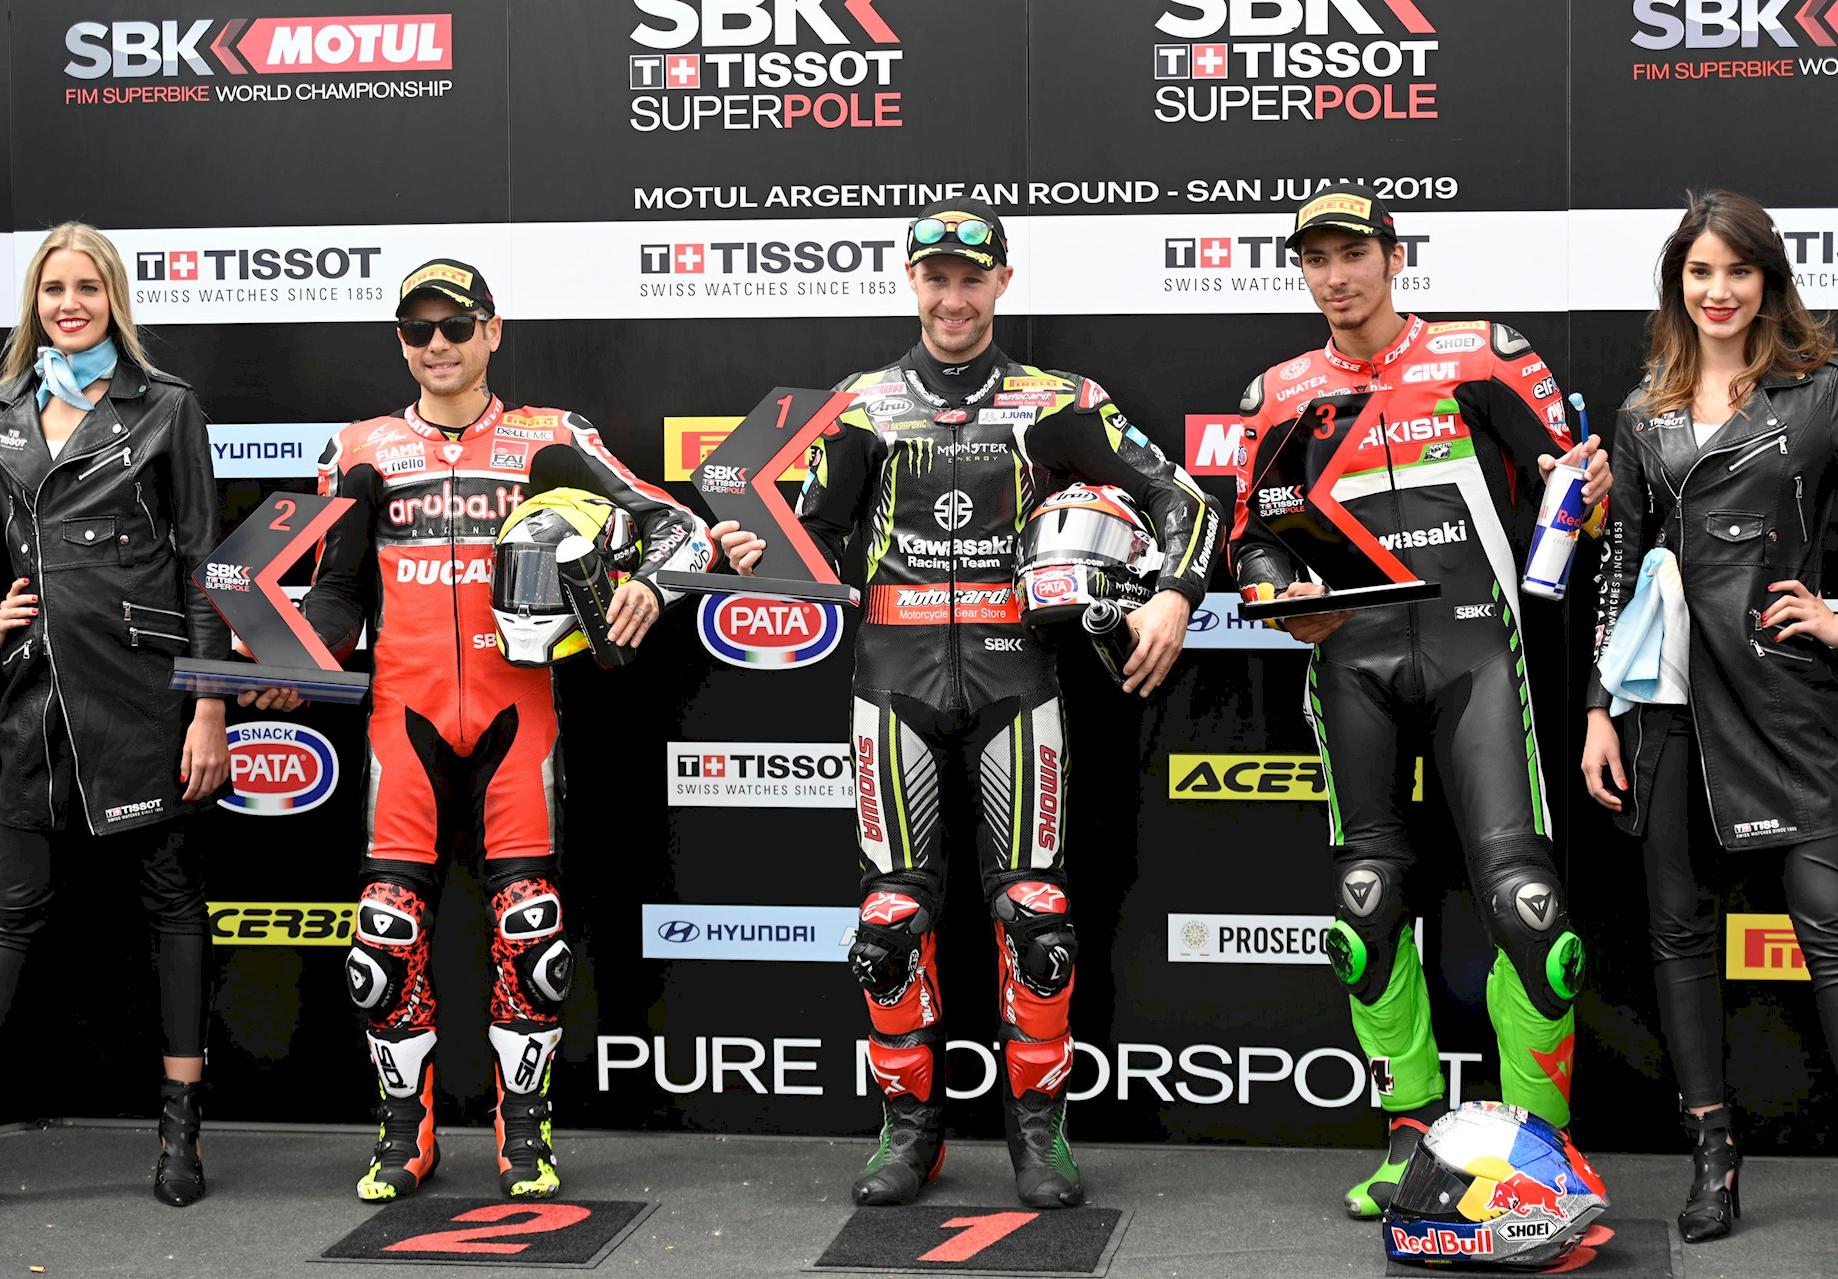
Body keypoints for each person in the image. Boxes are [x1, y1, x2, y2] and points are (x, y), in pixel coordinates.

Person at [717, 199, 1221, 1209]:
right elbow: (795, 535)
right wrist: (746, 551)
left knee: (1035, 916)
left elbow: (1188, 503)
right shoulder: (858, 404)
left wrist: (1175, 592)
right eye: (936, 276)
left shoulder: (1057, 400)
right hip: (891, 678)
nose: (954, 296)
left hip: (1017, 679)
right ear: (911, 281)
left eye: (972, 275)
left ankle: (1039, 1135)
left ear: (1002, 282)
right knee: (891, 918)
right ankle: (910, 1132)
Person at [241, 259, 713, 1202]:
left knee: (532, 931)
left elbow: (680, 530)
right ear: (402, 344)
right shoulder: (363, 448)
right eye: (418, 332)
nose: (439, 347)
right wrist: (299, 660)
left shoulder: (550, 436)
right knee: (381, 940)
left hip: (517, 714)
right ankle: (400, 1132)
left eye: (457, 327)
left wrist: (646, 592)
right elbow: (335, 591)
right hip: (402, 718)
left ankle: (525, 1129)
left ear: (493, 331)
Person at [1225, 187, 1612, 1218]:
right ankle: (1408, 1135)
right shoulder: (1283, 390)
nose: (1335, 277)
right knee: (1365, 907)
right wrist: (1279, 590)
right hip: (1347, 662)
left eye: (1352, 254)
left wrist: (1584, 482)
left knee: (1532, 913)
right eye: (1315, 260)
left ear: (1394, 257)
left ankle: (1539, 1149)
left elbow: (1567, 481)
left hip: (1481, 650)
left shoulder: (1482, 353)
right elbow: (1251, 533)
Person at [1581, 190, 1838, 1274]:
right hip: (1669, 703)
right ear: (1677, 287)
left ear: (1768, 282)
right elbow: (1621, 562)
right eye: (1699, 274)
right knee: (1680, 933)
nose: (1718, 292)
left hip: (1785, 699)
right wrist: (1601, 704)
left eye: (1737, 272)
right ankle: (1711, 1158)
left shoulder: (1820, 396)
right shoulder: (1644, 412)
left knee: (1832, 929)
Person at [0, 223, 230, 1207]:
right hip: (27, 694)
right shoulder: (4, 408)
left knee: (170, 905)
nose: (69, 303)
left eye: (87, 286)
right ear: (34, 301)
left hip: (140, 694)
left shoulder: (164, 405)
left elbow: (204, 568)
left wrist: (209, 705)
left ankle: (181, 1133)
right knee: (10, 914)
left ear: (114, 299)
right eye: (54, 287)